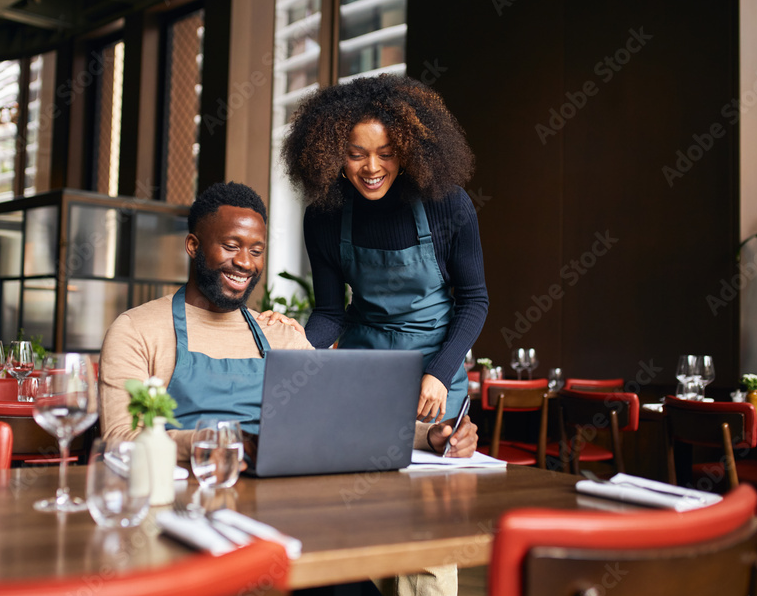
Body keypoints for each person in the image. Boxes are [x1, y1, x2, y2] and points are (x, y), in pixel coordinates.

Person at [99, 181, 476, 461]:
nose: (245, 262)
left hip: (274, 502)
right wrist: (214, 444)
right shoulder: (137, 331)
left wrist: (431, 436)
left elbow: (345, 418)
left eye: (256, 250)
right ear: (193, 246)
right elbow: (119, 440)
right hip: (180, 497)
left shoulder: (279, 335)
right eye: (231, 246)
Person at [271, 74, 489, 425]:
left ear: (406, 152)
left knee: (433, 459)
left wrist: (440, 373)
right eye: (355, 155)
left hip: (433, 374)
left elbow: (474, 300)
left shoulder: (447, 205)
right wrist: (298, 346)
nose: (372, 168)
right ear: (334, 155)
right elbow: (330, 313)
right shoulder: (324, 217)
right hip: (361, 368)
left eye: (386, 154)